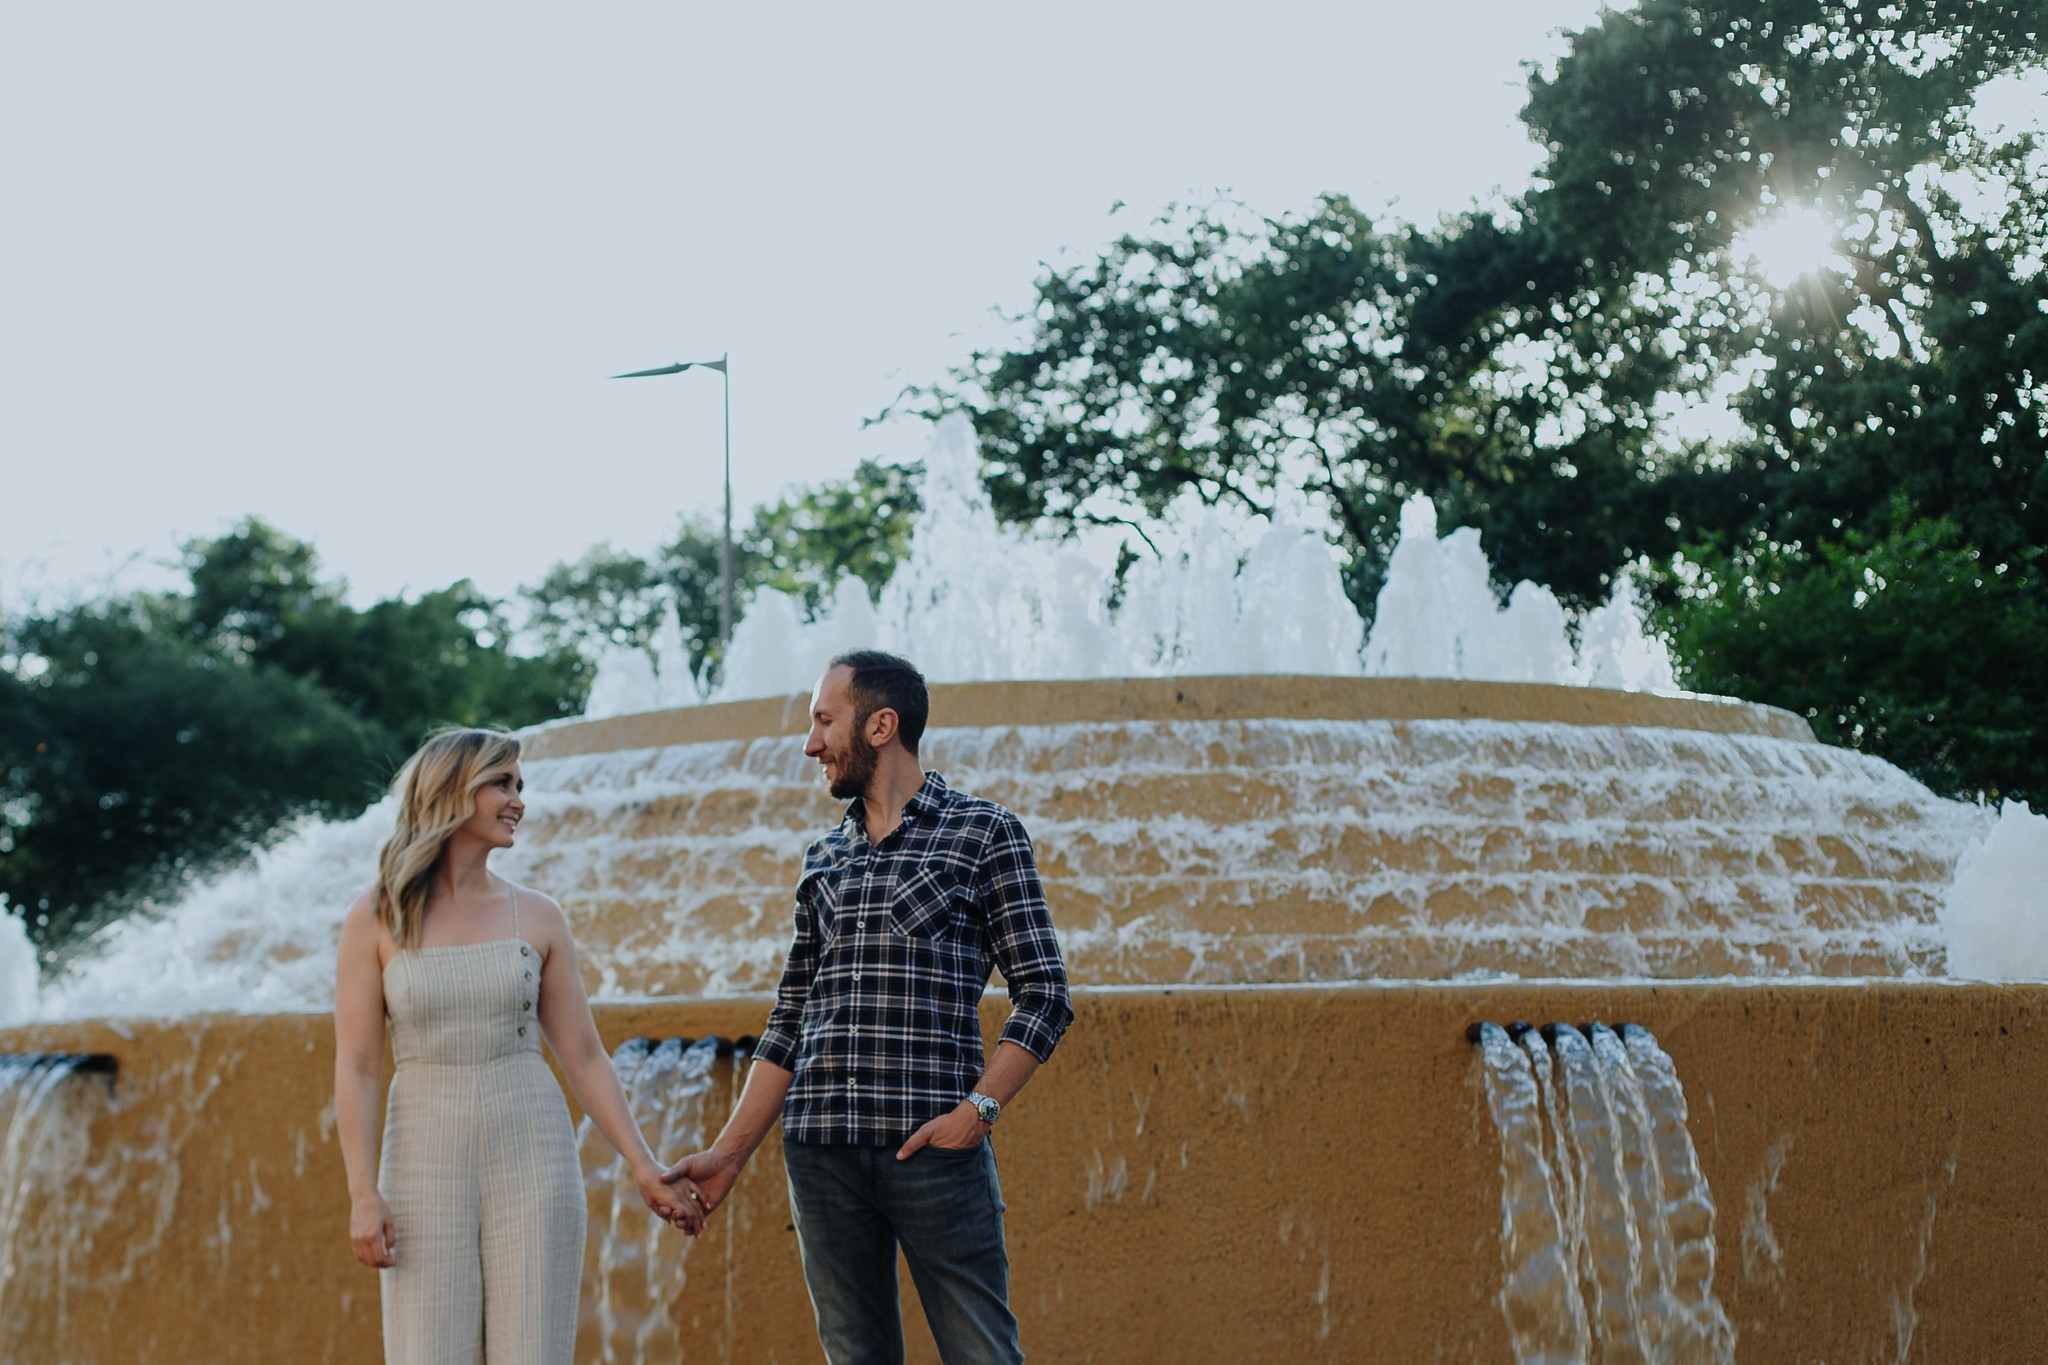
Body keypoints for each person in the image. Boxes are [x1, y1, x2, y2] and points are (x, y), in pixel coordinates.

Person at [663, 649, 1073, 1365]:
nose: (811, 742)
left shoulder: (984, 834)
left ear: (881, 725)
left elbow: (1044, 993)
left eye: (825, 720)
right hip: (820, 1152)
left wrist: (977, 1112)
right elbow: (790, 1018)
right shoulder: (824, 855)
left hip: (932, 1148)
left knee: (982, 1353)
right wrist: (728, 1156)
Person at [333, 727, 705, 1365]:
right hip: (420, 1155)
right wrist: (363, 1193)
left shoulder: (537, 915)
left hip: (533, 1151)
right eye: (501, 783)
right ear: (451, 791)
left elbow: (584, 1056)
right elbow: (361, 1067)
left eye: (519, 786)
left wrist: (644, 1166)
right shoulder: (376, 916)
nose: (518, 802)